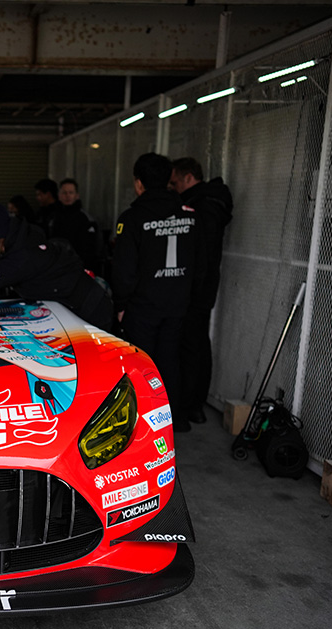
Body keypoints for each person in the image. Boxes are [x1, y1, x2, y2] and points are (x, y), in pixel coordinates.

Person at [112, 153, 202, 432]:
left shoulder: (132, 218)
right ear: (168, 180)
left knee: (141, 364)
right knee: (170, 359)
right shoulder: (190, 214)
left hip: (142, 305)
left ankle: (144, 426)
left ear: (139, 183)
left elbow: (124, 269)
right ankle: (174, 420)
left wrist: (120, 303)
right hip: (178, 302)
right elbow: (200, 261)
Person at [170, 157, 234, 424]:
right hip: (202, 286)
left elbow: (202, 255)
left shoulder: (202, 207)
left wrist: (190, 288)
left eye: (175, 182)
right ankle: (193, 404)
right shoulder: (209, 202)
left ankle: (189, 406)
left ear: (188, 178)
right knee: (196, 343)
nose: (173, 188)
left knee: (190, 345)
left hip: (196, 287)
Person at [54, 178, 100, 273]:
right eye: (64, 193)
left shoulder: (86, 220)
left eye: (71, 192)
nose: (67, 196)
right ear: (59, 196)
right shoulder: (53, 218)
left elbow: (90, 250)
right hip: (57, 266)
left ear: (77, 195)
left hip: (78, 267)